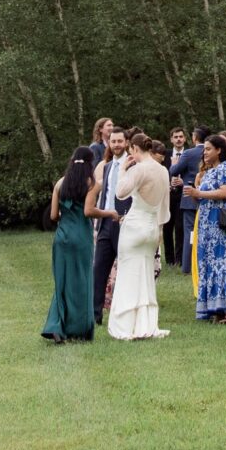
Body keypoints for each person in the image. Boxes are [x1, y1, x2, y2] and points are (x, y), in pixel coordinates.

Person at [108, 130, 171, 340]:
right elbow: (164, 206)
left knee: (128, 275)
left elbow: (120, 192)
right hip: (152, 227)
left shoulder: (138, 169)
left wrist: (124, 171)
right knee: (145, 277)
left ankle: (125, 326)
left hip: (135, 226)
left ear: (134, 149)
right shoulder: (163, 170)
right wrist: (159, 229)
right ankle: (146, 324)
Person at [43, 145, 100, 342]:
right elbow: (88, 211)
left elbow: (53, 215)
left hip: (62, 237)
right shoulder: (92, 183)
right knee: (82, 281)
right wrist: (108, 213)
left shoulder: (60, 183)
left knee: (62, 282)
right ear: (90, 163)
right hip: (81, 237)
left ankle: (56, 326)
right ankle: (81, 329)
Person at [190, 132, 226, 322]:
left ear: (219, 150)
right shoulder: (209, 172)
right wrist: (194, 193)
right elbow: (206, 195)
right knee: (211, 266)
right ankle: (216, 308)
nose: (204, 152)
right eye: (204, 149)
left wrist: (199, 193)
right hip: (208, 229)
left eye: (208, 149)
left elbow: (224, 192)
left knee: (225, 264)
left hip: (222, 227)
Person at [91, 124, 128, 319]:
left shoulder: (131, 165)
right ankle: (95, 314)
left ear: (126, 142)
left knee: (125, 269)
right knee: (99, 268)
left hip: (124, 222)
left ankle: (122, 312)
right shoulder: (106, 167)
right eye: (113, 141)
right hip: (105, 223)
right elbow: (103, 194)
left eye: (120, 141)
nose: (116, 144)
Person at [164, 127, 201, 274]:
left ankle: (180, 259)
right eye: (175, 137)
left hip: (184, 195)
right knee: (167, 228)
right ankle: (170, 260)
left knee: (181, 229)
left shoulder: (190, 154)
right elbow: (164, 172)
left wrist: (181, 182)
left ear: (185, 139)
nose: (178, 139)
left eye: (181, 137)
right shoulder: (166, 155)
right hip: (168, 196)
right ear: (171, 139)